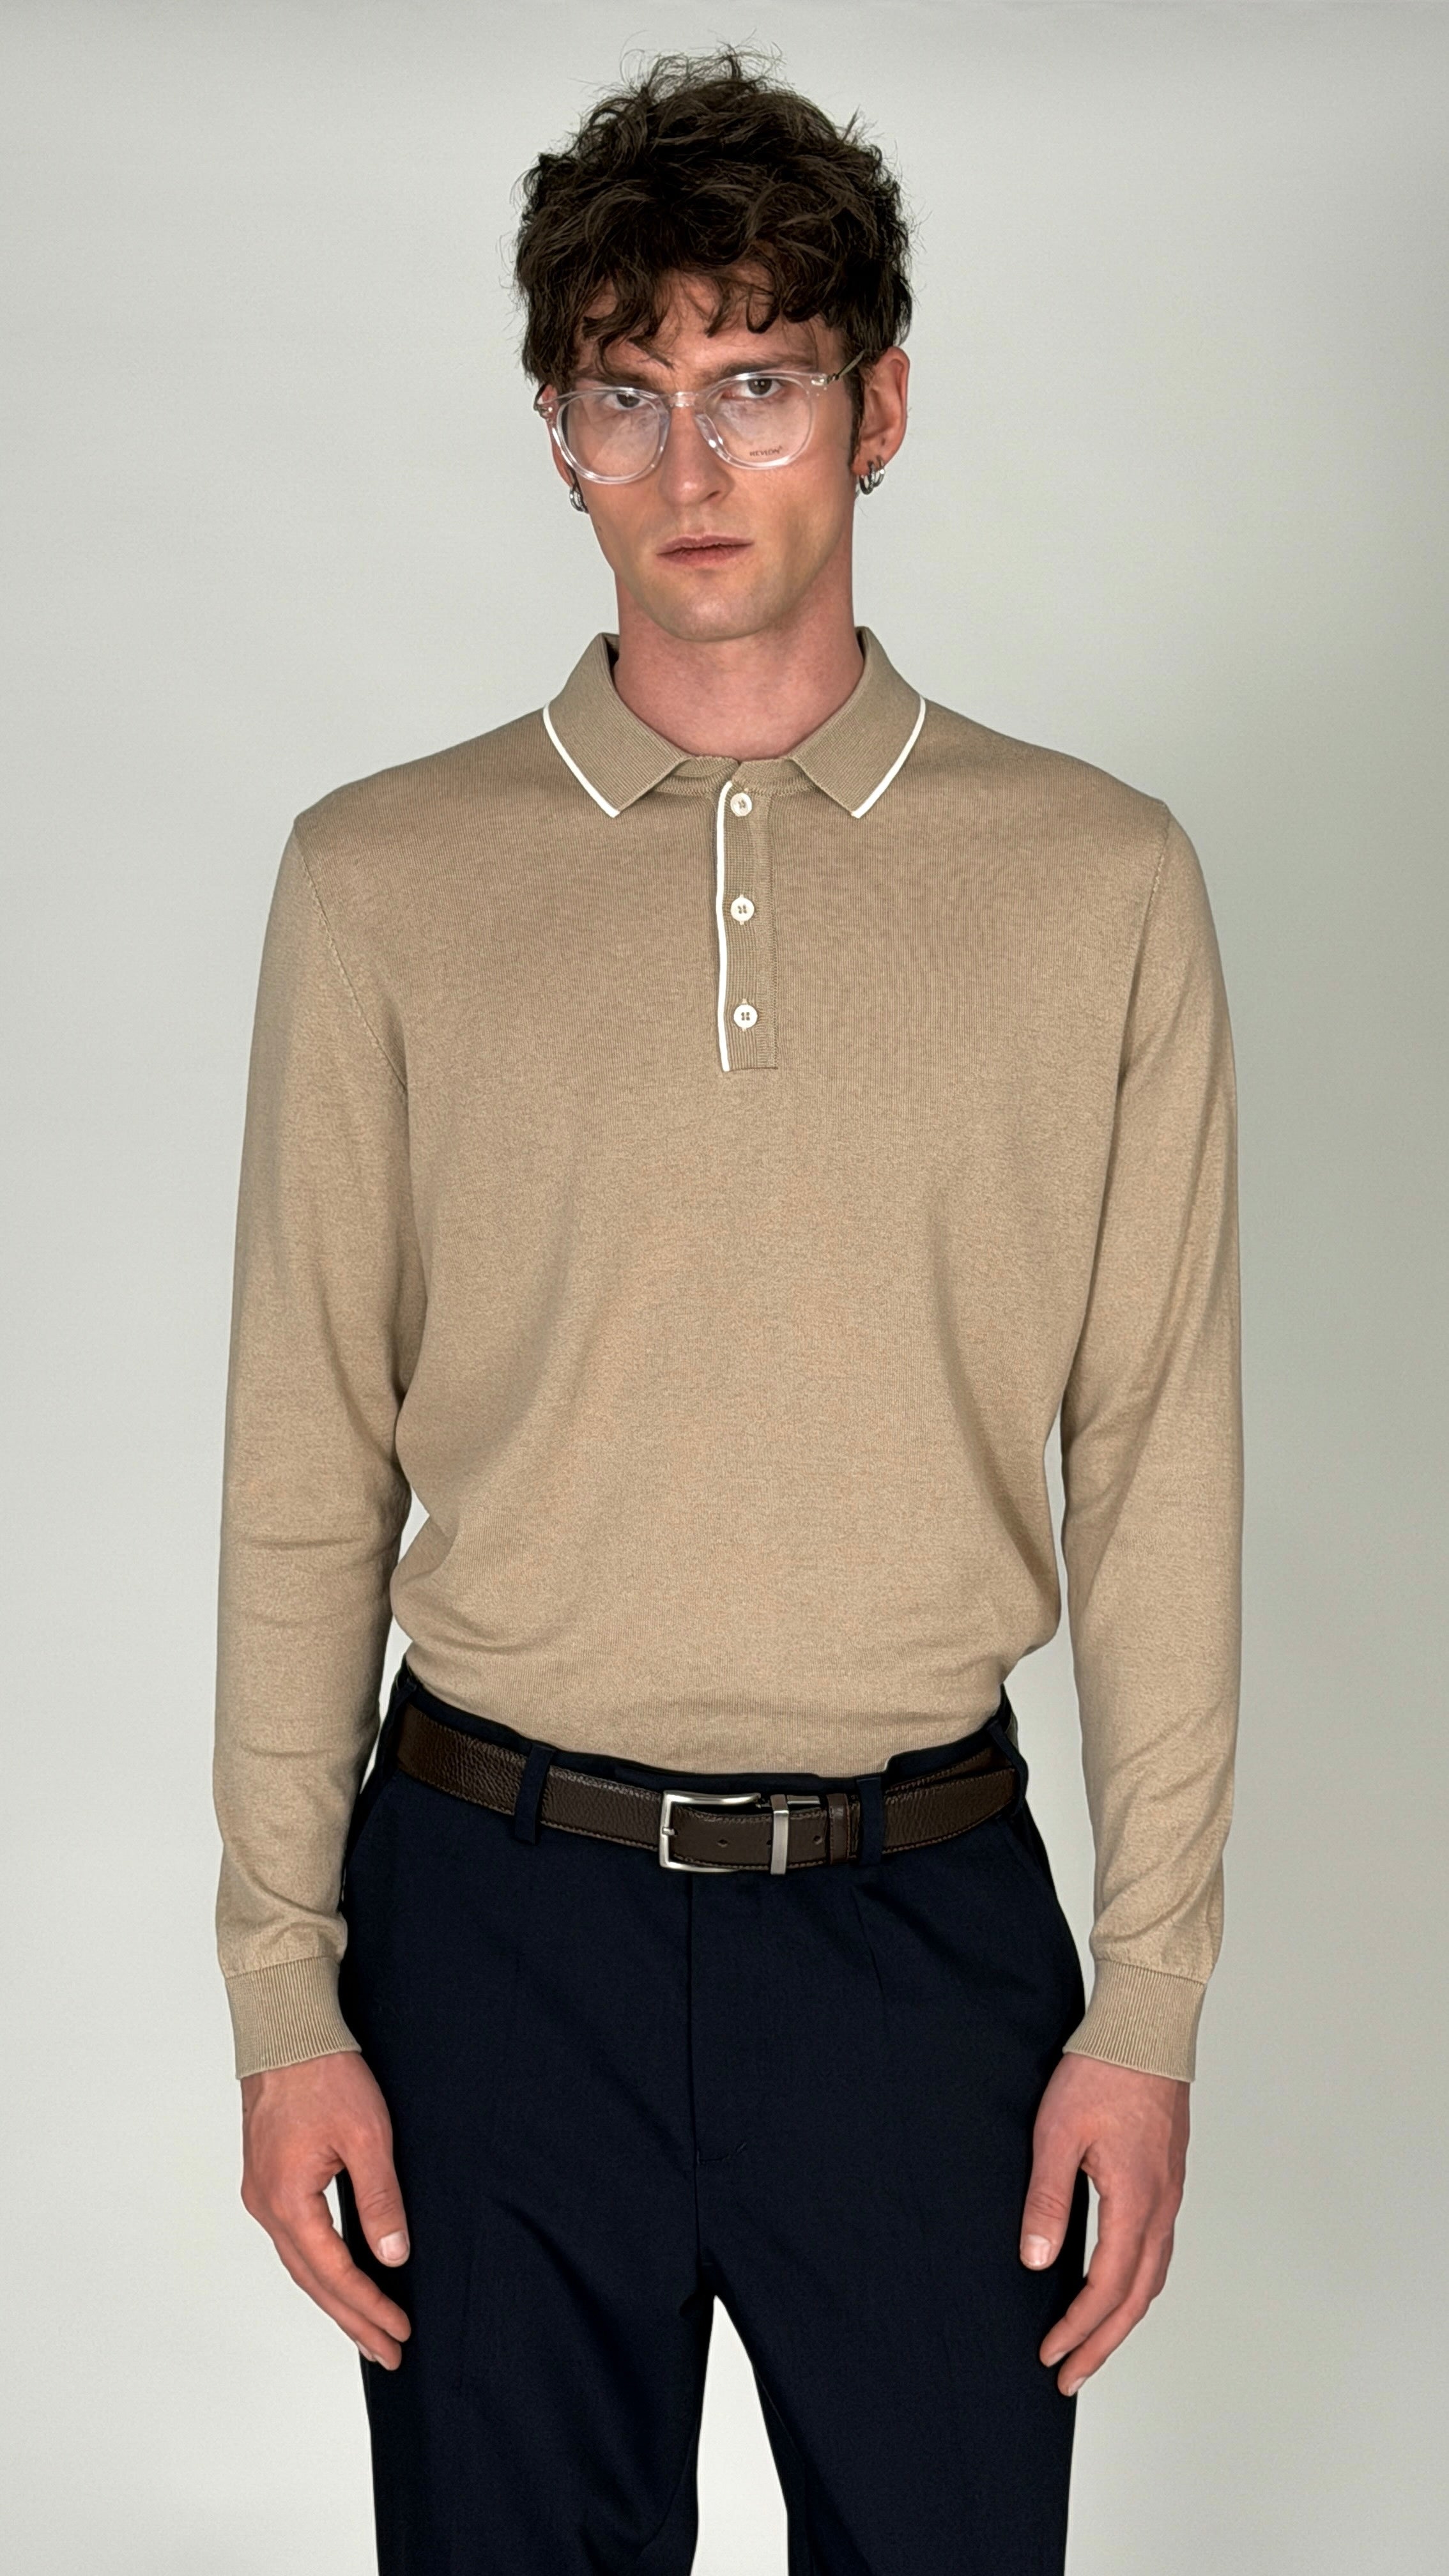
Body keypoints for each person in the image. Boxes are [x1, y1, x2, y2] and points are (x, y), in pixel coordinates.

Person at [215, 48, 1241, 2576]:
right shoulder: (382, 881)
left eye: (757, 383)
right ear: (560, 437)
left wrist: (1144, 2007)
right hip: (489, 1931)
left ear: (876, 410)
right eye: (626, 393)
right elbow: (304, 1460)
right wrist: (284, 1997)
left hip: (921, 1929)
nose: (692, 462)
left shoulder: (1098, 883)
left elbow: (1157, 1463)